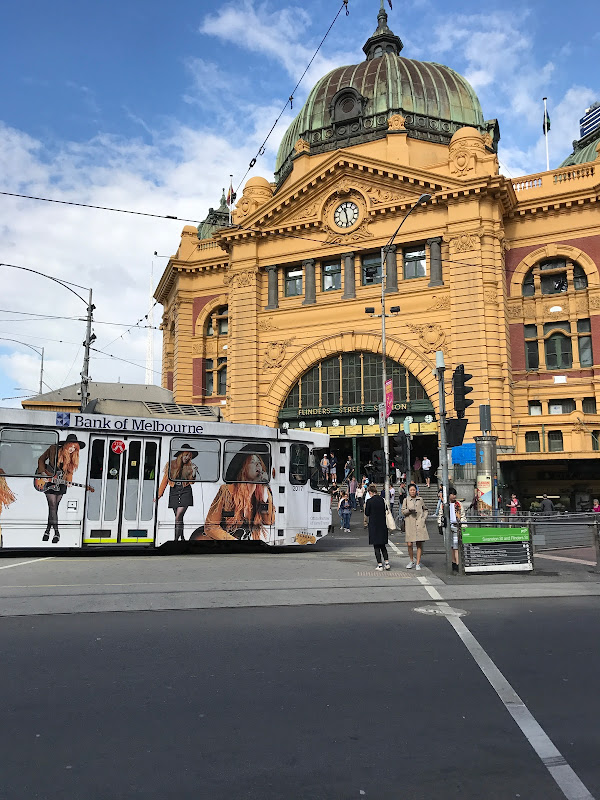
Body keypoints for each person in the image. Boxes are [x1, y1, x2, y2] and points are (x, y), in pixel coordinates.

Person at [191, 444, 274, 541]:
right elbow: (211, 526)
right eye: (252, 462)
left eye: (259, 462)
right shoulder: (227, 491)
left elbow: (269, 521)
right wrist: (233, 542)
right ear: (244, 469)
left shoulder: (262, 494)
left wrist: (264, 495)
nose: (257, 465)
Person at [37, 433, 86, 544]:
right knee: (52, 506)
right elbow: (41, 459)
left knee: (54, 509)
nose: (72, 449)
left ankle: (47, 531)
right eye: (71, 446)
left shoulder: (73, 456)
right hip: (48, 481)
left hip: (61, 483)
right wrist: (43, 474)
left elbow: (69, 472)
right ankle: (57, 533)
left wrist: (69, 481)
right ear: (66, 444)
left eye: (75, 448)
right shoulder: (53, 449)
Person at [157, 444, 199, 541]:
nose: (188, 457)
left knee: (178, 516)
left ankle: (175, 540)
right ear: (181, 454)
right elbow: (165, 481)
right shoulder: (171, 464)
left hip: (185, 491)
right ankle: (182, 537)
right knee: (179, 518)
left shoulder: (190, 466)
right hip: (174, 491)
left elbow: (192, 482)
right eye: (186, 455)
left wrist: (193, 472)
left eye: (190, 456)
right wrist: (159, 494)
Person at [402, 482, 429, 570]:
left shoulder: (420, 499)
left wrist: (423, 518)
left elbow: (425, 510)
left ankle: (418, 562)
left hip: (419, 523)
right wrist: (409, 510)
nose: (413, 492)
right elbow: (403, 511)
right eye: (411, 490)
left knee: (419, 543)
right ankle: (411, 560)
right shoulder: (406, 500)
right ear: (409, 491)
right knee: (409, 544)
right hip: (410, 524)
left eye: (414, 490)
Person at [365, 484, 390, 571]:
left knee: (376, 546)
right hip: (382, 525)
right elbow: (386, 510)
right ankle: (387, 563)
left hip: (374, 525)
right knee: (383, 545)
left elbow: (367, 513)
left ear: (370, 492)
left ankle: (380, 564)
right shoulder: (382, 500)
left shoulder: (369, 501)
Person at [448, 488, 462, 573]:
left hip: (457, 526)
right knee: (451, 546)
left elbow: (462, 515)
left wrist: (463, 525)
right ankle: (453, 562)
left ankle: (457, 564)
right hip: (448, 527)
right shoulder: (445, 505)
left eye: (455, 494)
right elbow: (441, 515)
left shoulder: (458, 504)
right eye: (452, 494)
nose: (454, 496)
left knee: (456, 546)